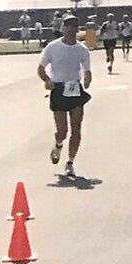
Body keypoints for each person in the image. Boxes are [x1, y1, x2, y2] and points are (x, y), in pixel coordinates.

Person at [38, 14, 92, 178]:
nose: (71, 29)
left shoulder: (82, 49)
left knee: (76, 128)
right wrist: (47, 80)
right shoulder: (52, 47)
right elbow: (41, 68)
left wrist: (88, 77)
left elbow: (87, 69)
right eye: (67, 26)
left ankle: (70, 162)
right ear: (62, 28)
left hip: (74, 88)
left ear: (77, 29)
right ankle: (58, 144)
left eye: (74, 26)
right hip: (59, 88)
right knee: (63, 131)